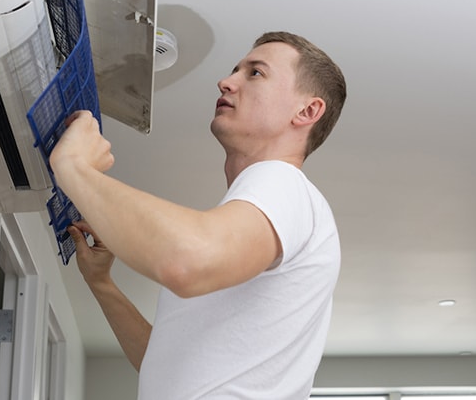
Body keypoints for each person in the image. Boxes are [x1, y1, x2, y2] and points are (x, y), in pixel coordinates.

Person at [50, 31, 347, 399]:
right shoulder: (254, 220)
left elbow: (186, 261)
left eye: (255, 73)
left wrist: (74, 167)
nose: (226, 81)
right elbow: (164, 365)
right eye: (235, 70)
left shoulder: (283, 182)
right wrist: (102, 284)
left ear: (307, 111)